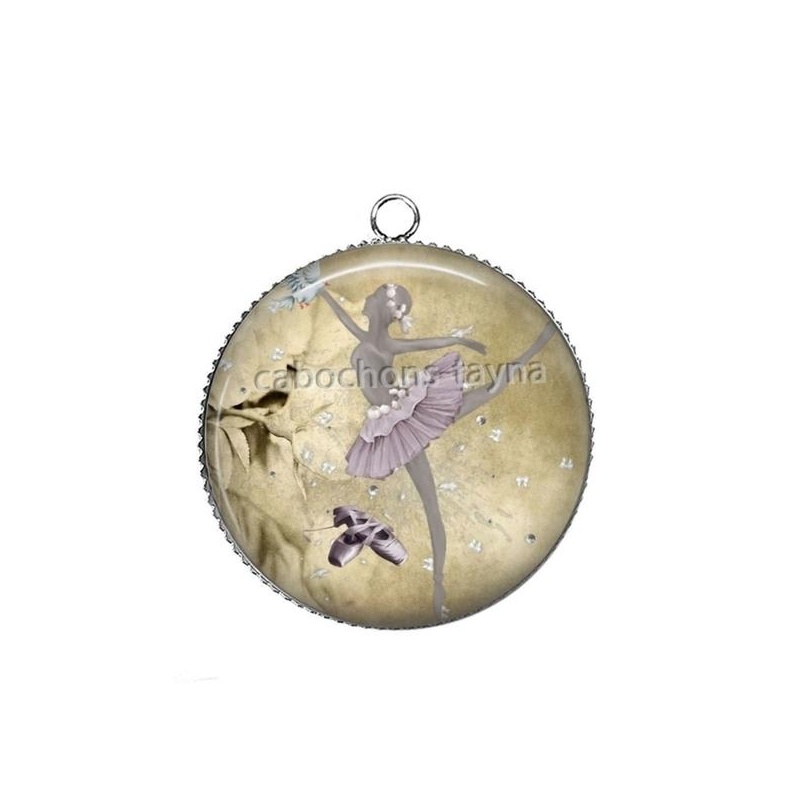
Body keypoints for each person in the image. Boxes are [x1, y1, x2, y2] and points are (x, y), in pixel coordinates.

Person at [319, 282, 556, 622]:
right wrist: (320, 290)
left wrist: (460, 342)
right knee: (431, 499)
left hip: (407, 415)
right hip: (392, 421)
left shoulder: (385, 343)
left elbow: (431, 342)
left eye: (373, 296)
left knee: (433, 499)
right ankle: (439, 586)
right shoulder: (368, 338)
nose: (366, 299)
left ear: (384, 308)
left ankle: (439, 586)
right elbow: (345, 318)